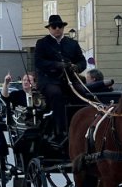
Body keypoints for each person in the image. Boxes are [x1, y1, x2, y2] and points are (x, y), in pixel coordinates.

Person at [33, 14, 86, 146]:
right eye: (54, 26)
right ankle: (61, 130)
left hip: (69, 80)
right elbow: (39, 62)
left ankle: (81, 126)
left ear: (63, 28)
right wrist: (56, 65)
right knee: (56, 94)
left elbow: (82, 61)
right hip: (49, 80)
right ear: (49, 28)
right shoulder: (42, 43)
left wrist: (77, 67)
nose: (57, 29)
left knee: (82, 93)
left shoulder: (72, 43)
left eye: (60, 26)